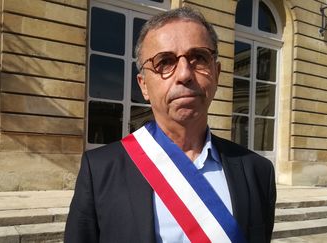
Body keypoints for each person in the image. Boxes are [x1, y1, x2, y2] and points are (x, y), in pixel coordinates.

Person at [65, 6, 276, 243]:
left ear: (216, 74)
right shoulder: (100, 170)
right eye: (165, 61)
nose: (185, 74)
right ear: (144, 85)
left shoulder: (258, 171)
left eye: (199, 57)